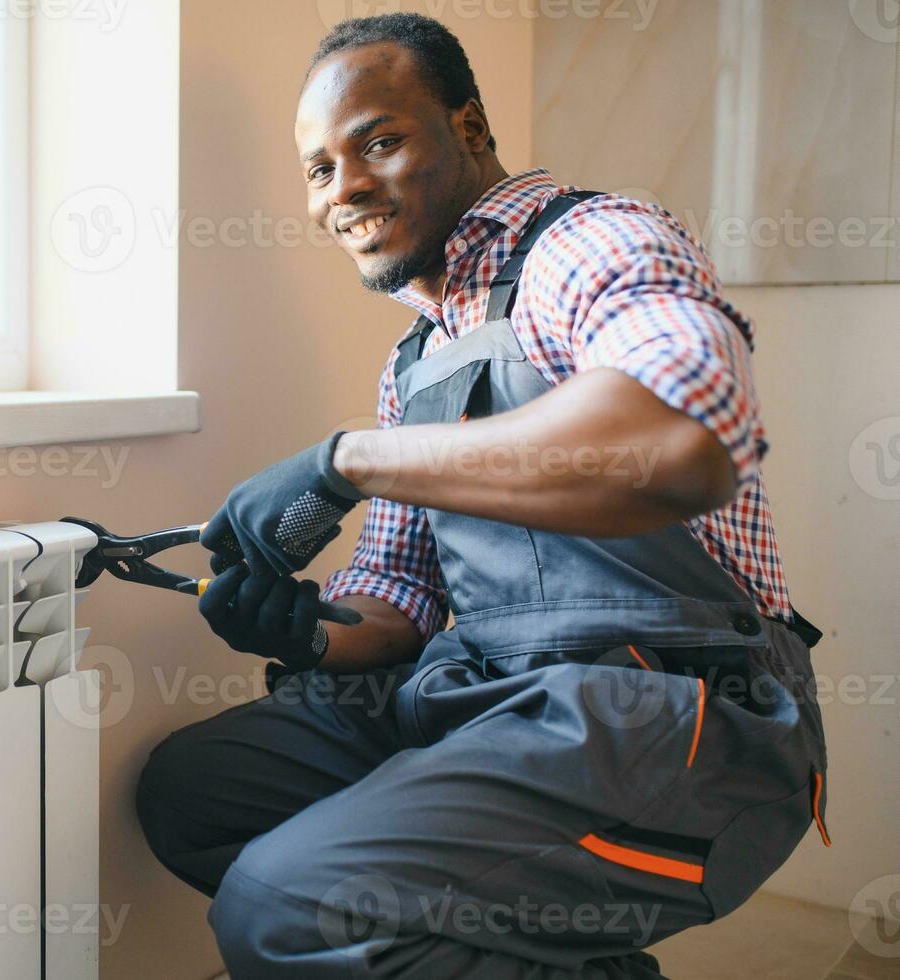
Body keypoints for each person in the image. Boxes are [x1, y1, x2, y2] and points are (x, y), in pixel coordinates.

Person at [135, 13, 829, 979]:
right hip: (494, 693)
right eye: (319, 169)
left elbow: (681, 444)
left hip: (685, 715)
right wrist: (306, 634)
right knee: (193, 794)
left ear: (467, 128)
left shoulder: (590, 242)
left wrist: (349, 460)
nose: (346, 189)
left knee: (280, 903)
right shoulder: (414, 359)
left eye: (378, 141)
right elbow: (399, 603)